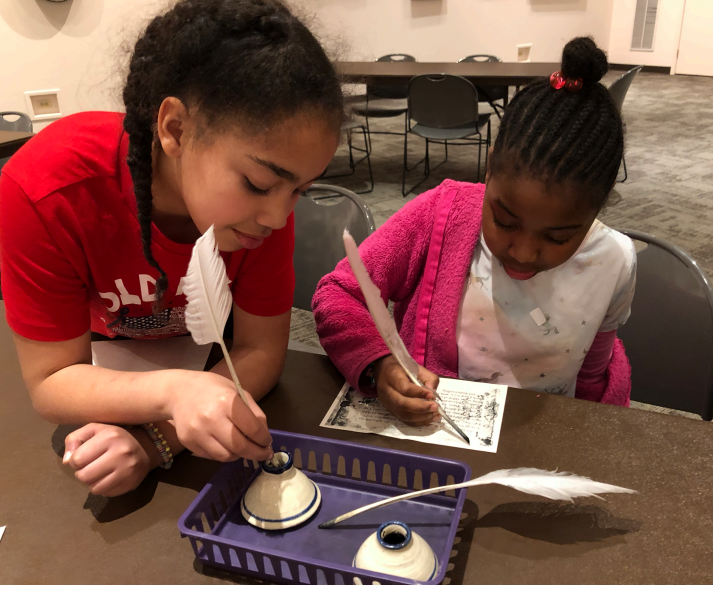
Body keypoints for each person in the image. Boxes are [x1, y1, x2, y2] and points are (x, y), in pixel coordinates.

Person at [0, 0, 343, 496]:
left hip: (213, 361)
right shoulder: (46, 189)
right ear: (175, 129)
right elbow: (51, 380)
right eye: (258, 181)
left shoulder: (264, 212)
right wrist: (173, 392)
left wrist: (154, 440)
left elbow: (259, 350)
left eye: (300, 191)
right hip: (99, 366)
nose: (280, 217)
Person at [313, 37, 635, 427]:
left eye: (557, 238)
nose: (523, 251)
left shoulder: (614, 262)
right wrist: (380, 364)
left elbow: (594, 379)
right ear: (488, 171)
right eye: (504, 221)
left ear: (597, 210)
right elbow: (338, 294)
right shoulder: (440, 215)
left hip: (543, 437)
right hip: (438, 434)